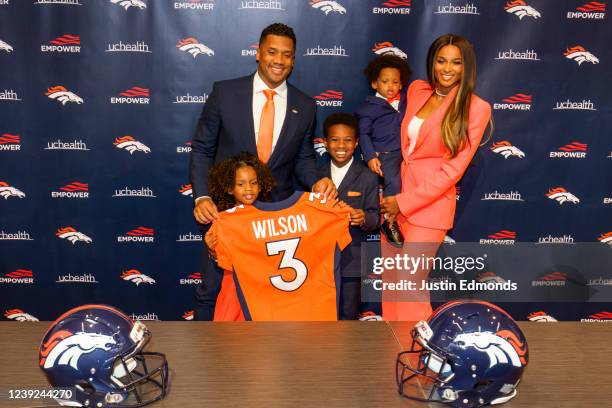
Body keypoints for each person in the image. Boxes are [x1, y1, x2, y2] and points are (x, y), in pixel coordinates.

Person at [189, 23, 336, 320]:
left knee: (268, 295)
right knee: (212, 289)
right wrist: (201, 196)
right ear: (257, 53)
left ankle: (263, 363)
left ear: (294, 60)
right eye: (272, 52)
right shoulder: (224, 92)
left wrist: (318, 180)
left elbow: (304, 157)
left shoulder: (305, 106)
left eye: (287, 54)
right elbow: (202, 149)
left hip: (275, 220)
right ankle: (203, 361)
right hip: (226, 213)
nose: (278, 60)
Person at [380, 34, 492, 321]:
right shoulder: (417, 90)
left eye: (456, 62)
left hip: (428, 208)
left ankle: (421, 356)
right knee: (392, 284)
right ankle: (392, 354)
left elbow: (453, 170)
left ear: (467, 67)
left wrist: (402, 203)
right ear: (432, 62)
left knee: (409, 284)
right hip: (393, 198)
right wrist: (393, 197)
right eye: (441, 60)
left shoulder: (476, 108)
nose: (447, 68)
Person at [316, 113, 380, 320]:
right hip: (320, 260)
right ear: (325, 143)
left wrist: (364, 218)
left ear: (357, 143)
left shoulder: (368, 177)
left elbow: (375, 218)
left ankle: (345, 353)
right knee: (322, 316)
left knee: (348, 316)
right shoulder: (316, 175)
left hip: (352, 261)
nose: (341, 145)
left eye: (348, 140)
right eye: (334, 140)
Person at [204, 152, 275, 321]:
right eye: (241, 184)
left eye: (253, 183)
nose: (248, 188)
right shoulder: (222, 221)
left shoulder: (271, 217)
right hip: (235, 291)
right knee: (231, 341)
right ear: (229, 188)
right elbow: (219, 259)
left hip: (263, 291)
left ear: (261, 184)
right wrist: (211, 249)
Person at [354, 55, 411, 246]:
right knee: (394, 184)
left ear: (401, 84)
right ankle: (389, 222)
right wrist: (370, 156)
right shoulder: (367, 108)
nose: (390, 86)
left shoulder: (405, 101)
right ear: (374, 83)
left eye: (395, 82)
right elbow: (363, 134)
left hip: (404, 154)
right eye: (385, 81)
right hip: (384, 155)